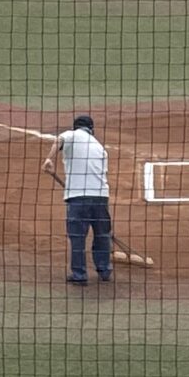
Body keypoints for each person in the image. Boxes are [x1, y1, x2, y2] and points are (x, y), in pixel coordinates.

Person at [43, 113, 115, 285]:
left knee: (77, 237)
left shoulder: (71, 135)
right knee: (102, 234)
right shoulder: (100, 148)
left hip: (78, 198)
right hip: (100, 197)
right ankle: (104, 270)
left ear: (76, 127)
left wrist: (48, 159)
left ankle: (79, 275)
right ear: (91, 129)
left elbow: (58, 140)